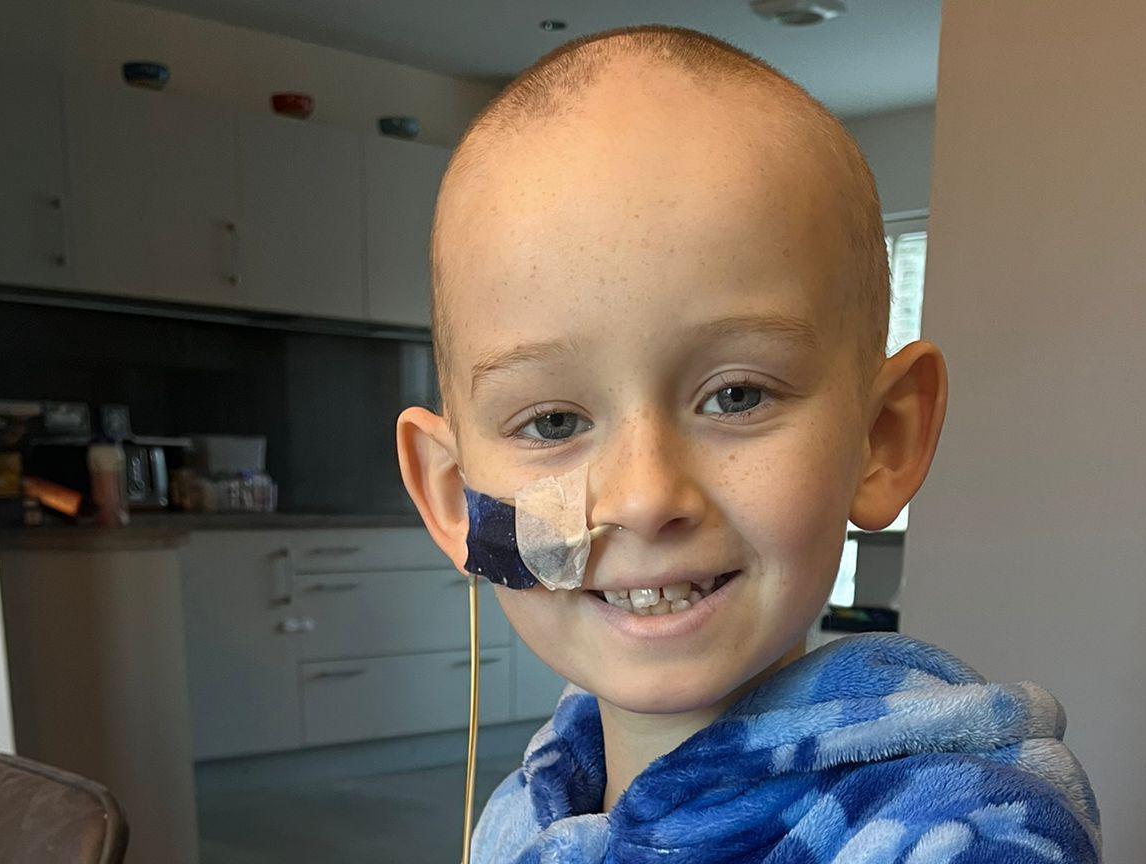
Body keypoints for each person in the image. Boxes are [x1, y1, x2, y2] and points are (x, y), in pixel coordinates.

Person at [396, 25, 1100, 863]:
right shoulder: (522, 814)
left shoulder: (956, 838)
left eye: (735, 397)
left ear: (883, 438)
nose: (646, 497)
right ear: (452, 501)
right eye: (553, 422)